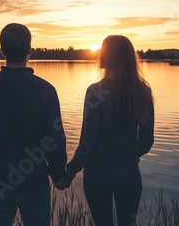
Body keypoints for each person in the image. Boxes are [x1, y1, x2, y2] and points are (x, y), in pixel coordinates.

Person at [0, 23, 67, 226]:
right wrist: (57, 174)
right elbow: (54, 140)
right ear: (30, 51)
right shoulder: (46, 91)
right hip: (34, 181)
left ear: (2, 51)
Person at [55, 35, 155, 226]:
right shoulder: (143, 91)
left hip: (98, 179)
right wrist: (127, 158)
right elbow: (146, 140)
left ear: (107, 56)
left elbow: (87, 144)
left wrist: (68, 174)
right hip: (129, 178)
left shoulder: (96, 92)